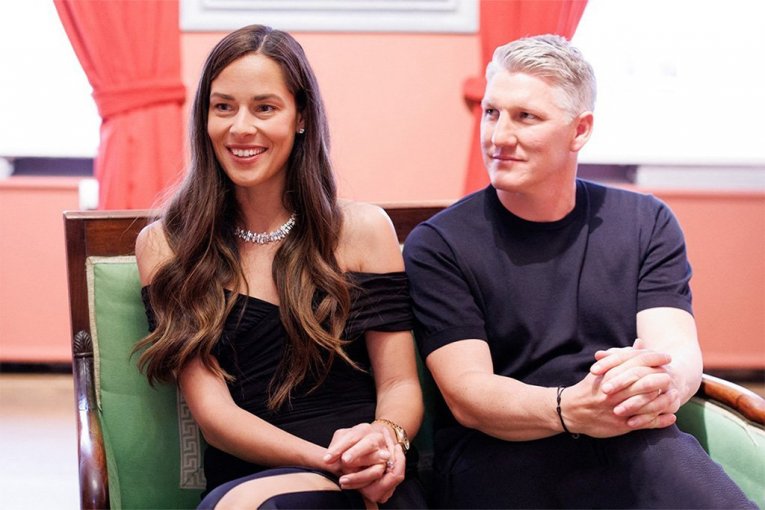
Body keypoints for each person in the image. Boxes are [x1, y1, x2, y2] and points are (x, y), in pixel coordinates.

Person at [403, 34, 755, 509]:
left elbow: (674, 346)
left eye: (526, 117)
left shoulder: (646, 221)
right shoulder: (439, 243)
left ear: (580, 130)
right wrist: (571, 408)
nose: (498, 136)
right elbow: (469, 394)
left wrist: (662, 385)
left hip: (632, 436)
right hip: (501, 453)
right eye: (492, 112)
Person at [133, 24, 425, 509]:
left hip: (368, 477)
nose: (241, 127)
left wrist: (384, 439)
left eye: (264, 108)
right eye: (223, 107)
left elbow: (399, 383)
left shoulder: (363, 230)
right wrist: (329, 462)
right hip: (252, 477)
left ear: (301, 116)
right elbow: (214, 415)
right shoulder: (167, 246)